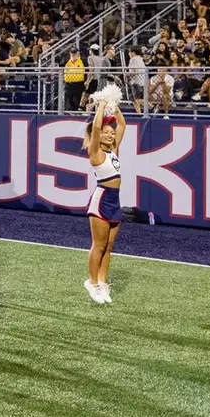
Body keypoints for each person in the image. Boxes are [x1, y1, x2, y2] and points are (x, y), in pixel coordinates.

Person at [83, 103, 127, 304]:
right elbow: (97, 127)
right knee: (98, 245)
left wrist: (114, 106)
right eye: (106, 133)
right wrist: (101, 105)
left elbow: (123, 125)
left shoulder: (113, 151)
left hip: (115, 200)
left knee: (109, 246)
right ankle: (91, 282)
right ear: (98, 135)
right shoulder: (95, 152)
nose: (110, 135)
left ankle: (102, 282)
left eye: (112, 133)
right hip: (101, 200)